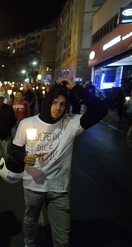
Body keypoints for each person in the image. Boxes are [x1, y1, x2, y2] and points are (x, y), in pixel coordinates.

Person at [11, 77, 108, 247]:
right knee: (30, 220)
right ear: (48, 101)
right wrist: (24, 157)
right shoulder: (27, 123)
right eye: (55, 102)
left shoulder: (70, 123)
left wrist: (76, 88)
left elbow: (100, 110)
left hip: (59, 190)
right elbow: (15, 150)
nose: (58, 108)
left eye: (63, 104)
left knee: (62, 241)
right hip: (33, 186)